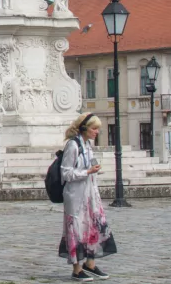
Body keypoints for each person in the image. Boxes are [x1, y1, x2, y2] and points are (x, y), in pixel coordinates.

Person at [60, 113, 115, 282]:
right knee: (76, 229)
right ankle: (76, 269)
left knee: (93, 226)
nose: (97, 132)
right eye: (94, 128)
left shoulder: (87, 144)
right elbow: (66, 173)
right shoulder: (73, 145)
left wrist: (94, 169)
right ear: (84, 128)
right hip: (76, 195)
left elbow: (88, 165)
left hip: (90, 193)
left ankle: (90, 263)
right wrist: (87, 172)